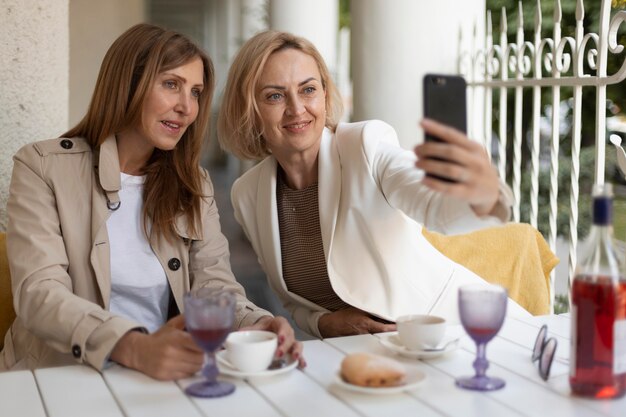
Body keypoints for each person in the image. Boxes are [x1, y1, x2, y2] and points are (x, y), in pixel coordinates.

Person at [0, 24, 303, 380]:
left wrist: (258, 323)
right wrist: (133, 347)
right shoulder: (42, 167)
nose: (186, 107)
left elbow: (214, 287)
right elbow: (39, 294)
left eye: (196, 92)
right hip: (57, 377)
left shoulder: (194, 184)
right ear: (127, 84)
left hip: (158, 376)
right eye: (171, 84)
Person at [218, 30, 534, 340]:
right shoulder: (247, 194)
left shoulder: (365, 145)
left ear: (326, 95)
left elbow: (430, 203)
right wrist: (324, 324)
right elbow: (292, 302)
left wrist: (479, 195)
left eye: (308, 89)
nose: (297, 108)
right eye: (275, 95)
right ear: (250, 110)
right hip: (362, 357)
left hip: (457, 331)